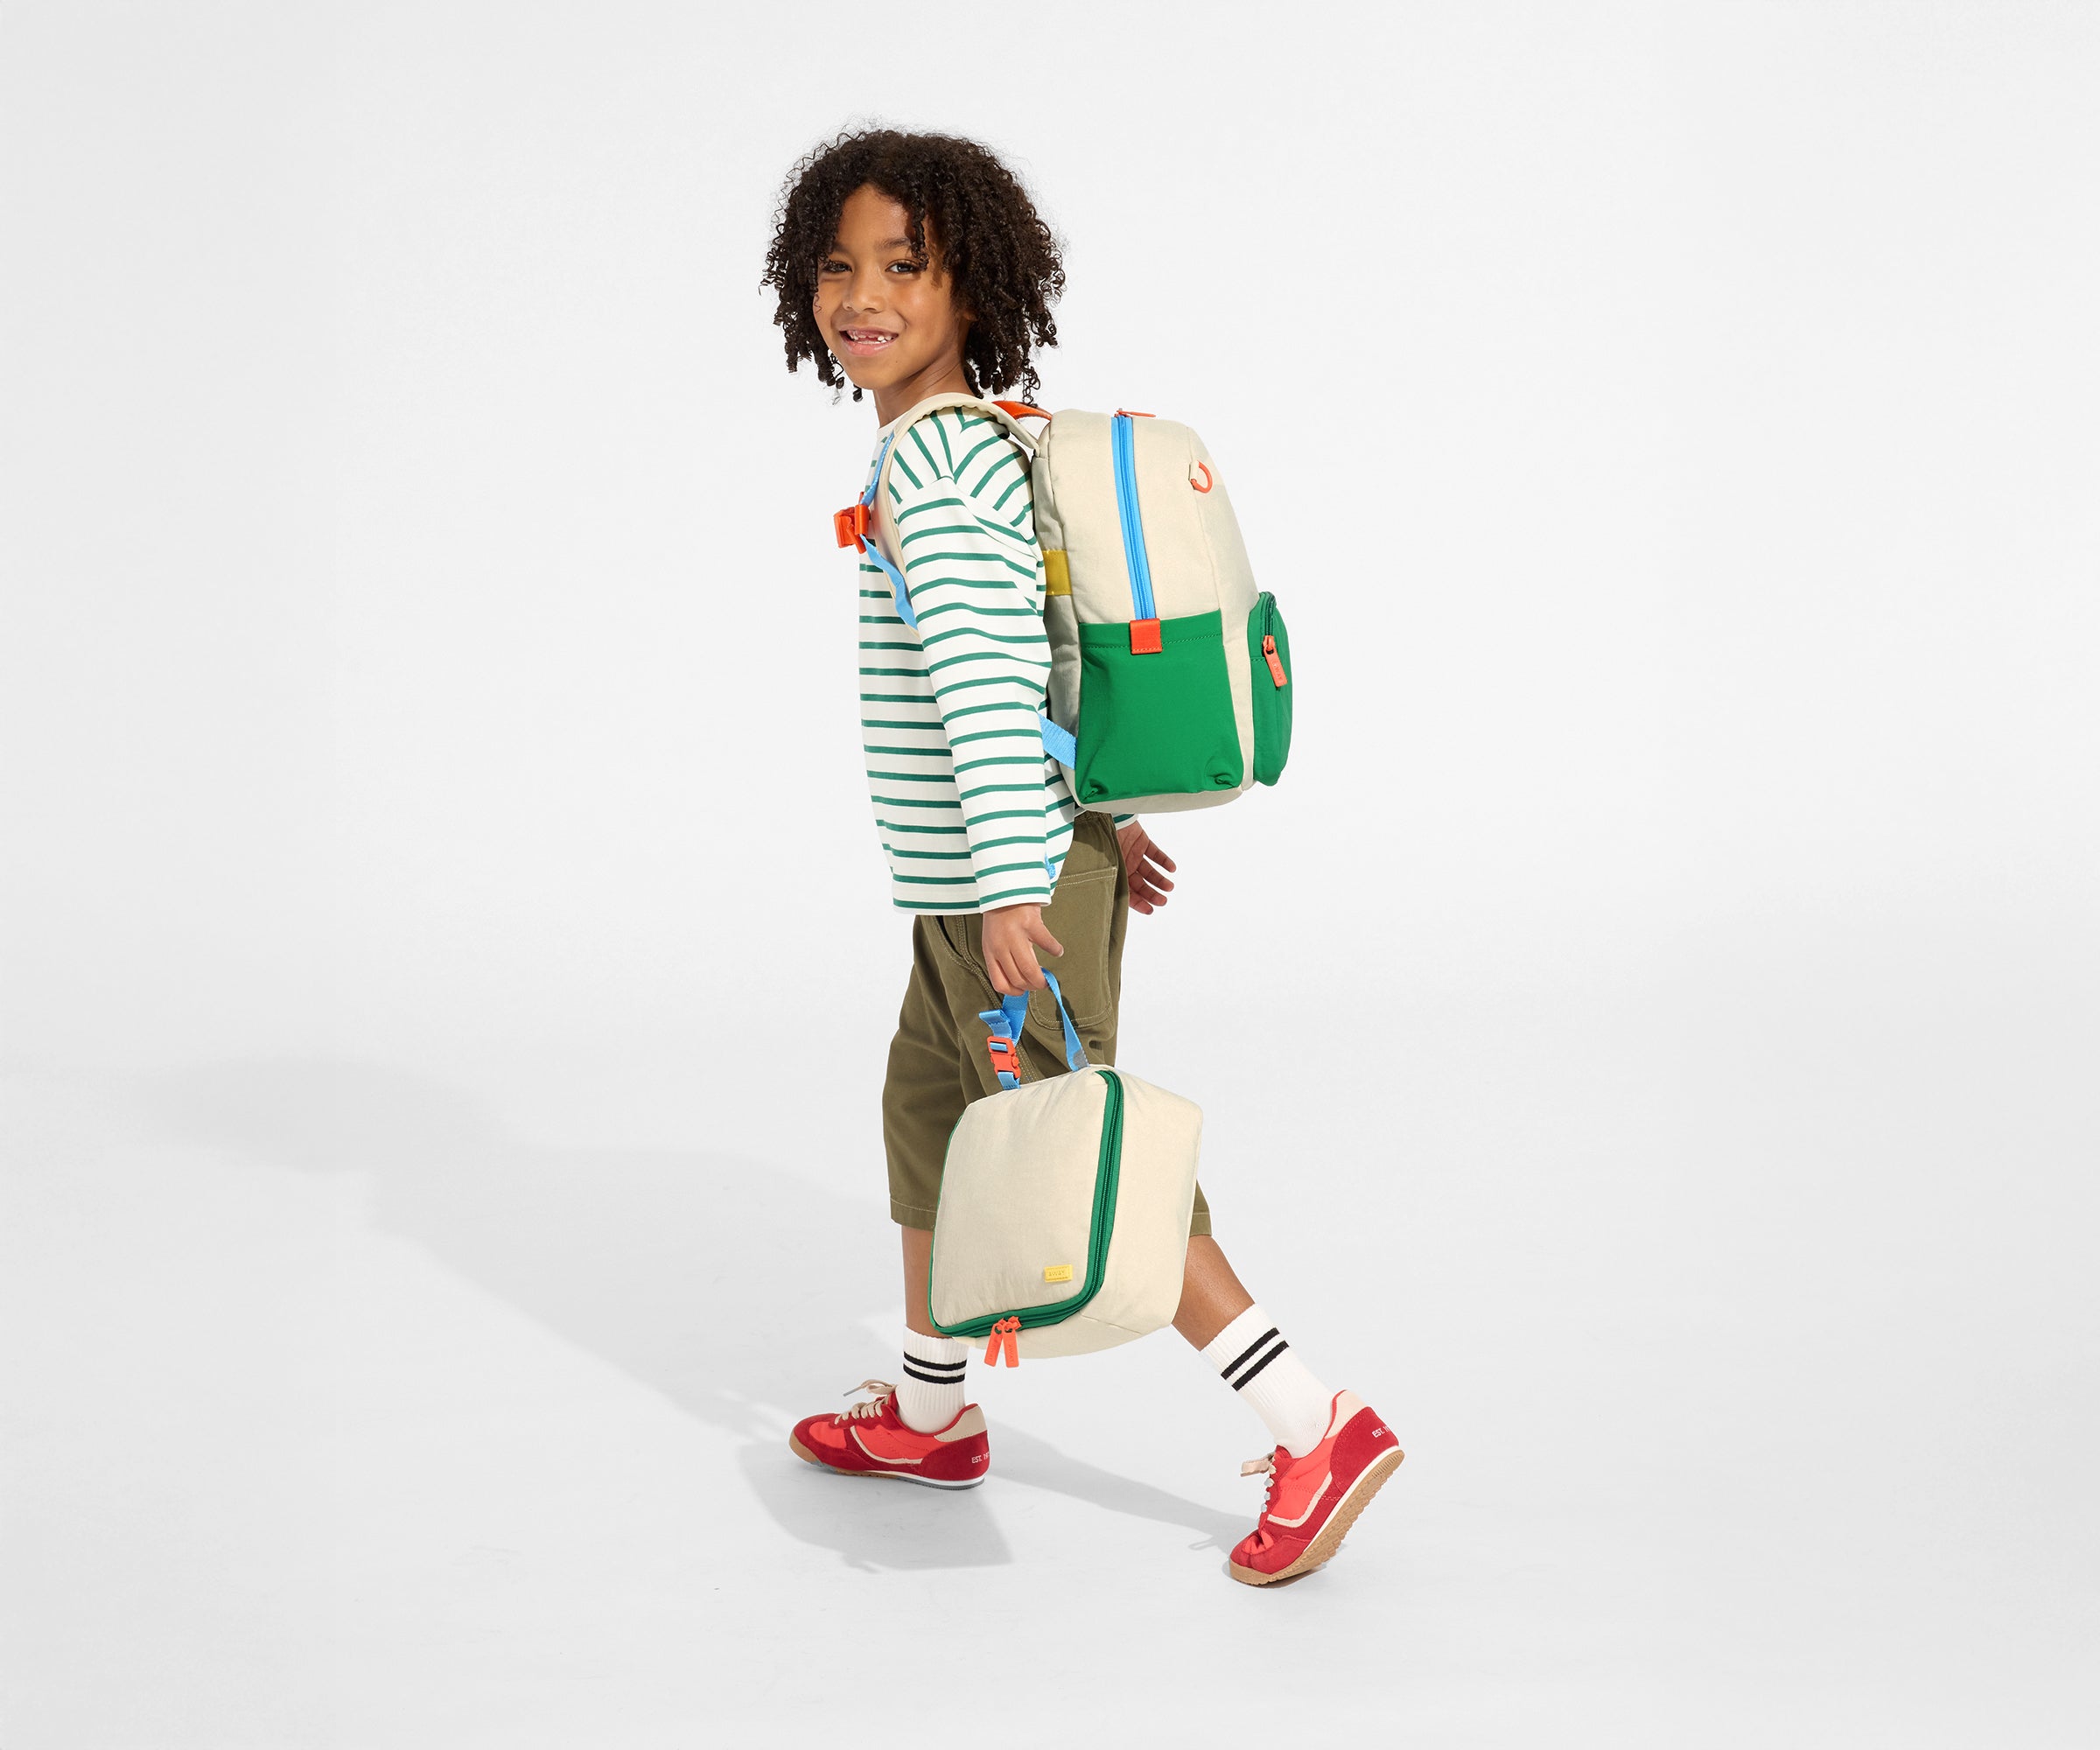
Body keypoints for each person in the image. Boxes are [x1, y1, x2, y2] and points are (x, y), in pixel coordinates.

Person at [760, 128, 1401, 1585]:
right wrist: (1093, 823)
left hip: (1001, 895)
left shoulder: (934, 464)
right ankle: (931, 1417)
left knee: (1079, 1142)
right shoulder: (976, 445)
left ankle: (1315, 1422)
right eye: (838, 266)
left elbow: (988, 687)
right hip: (982, 885)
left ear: (971, 287)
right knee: (930, 1117)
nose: (862, 294)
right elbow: (1051, 671)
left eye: (903, 267)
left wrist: (1016, 883)